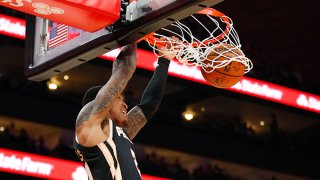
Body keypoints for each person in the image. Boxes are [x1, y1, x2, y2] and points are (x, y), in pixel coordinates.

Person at [73, 42, 175, 180]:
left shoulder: (117, 132)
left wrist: (164, 60)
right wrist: (134, 34)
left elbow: (149, 104)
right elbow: (124, 70)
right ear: (106, 104)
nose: (126, 105)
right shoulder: (89, 126)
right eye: (119, 98)